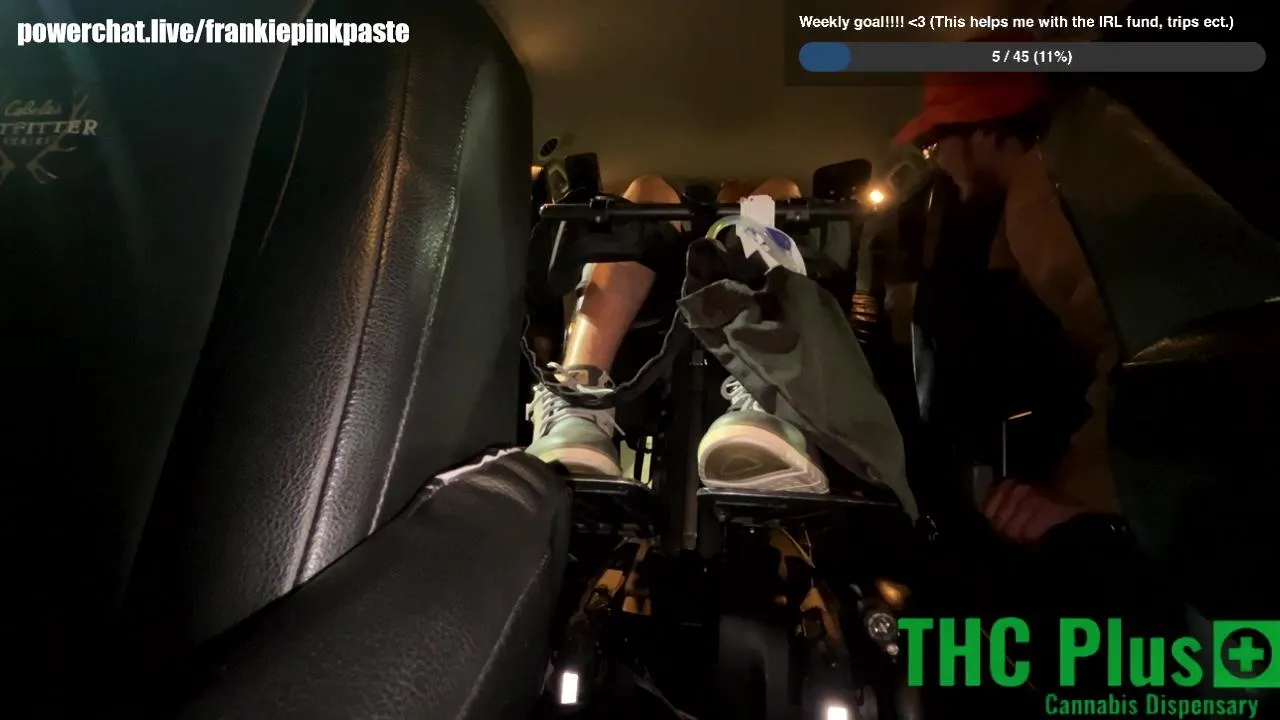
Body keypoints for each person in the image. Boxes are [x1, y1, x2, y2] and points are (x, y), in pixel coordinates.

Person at [893, 64, 1122, 543]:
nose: (938, 162)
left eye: (936, 142)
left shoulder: (1042, 204)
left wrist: (1083, 493)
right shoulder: (1049, 187)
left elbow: (1140, 352)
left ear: (983, 130)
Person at [526, 174, 831, 494]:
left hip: (734, 349)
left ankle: (770, 397)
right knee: (647, 190)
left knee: (775, 196)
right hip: (642, 353)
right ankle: (580, 399)